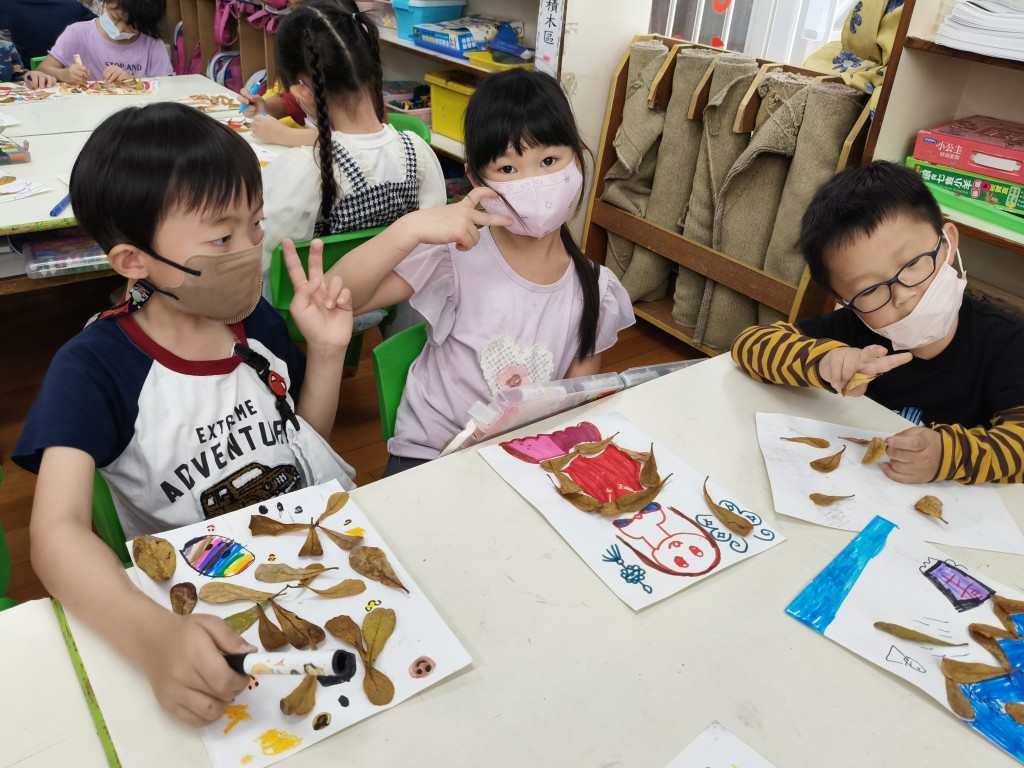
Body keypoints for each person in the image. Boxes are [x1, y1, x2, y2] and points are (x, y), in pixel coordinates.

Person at [13, 103, 357, 726]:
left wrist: (328, 354)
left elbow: (301, 443)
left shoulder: (257, 323)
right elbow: (56, 532)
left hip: (310, 566)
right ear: (133, 261)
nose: (250, 250)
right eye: (221, 239)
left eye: (256, 225)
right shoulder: (94, 368)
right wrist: (152, 638)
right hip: (198, 606)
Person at [328, 69, 636, 475]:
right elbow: (337, 297)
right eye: (507, 169)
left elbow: (572, 406)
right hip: (429, 456)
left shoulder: (595, 290)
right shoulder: (455, 253)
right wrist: (409, 228)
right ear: (477, 179)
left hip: (521, 462)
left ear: (576, 160)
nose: (533, 182)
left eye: (548, 161)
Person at [731, 160, 1024, 485]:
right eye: (870, 290)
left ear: (948, 242)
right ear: (845, 300)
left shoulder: (1008, 343)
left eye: (913, 263)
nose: (902, 294)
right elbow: (749, 345)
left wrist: (948, 456)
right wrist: (823, 362)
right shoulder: (853, 331)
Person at [259, 0, 446, 277]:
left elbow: (264, 259)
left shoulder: (307, 168)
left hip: (313, 302)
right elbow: (431, 248)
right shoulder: (419, 153)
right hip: (396, 300)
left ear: (303, 93)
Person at [37, 0, 173, 85]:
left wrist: (132, 81)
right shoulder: (77, 33)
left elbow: (167, 86)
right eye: (114, 18)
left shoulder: (152, 44)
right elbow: (42, 70)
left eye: (132, 27)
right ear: (105, 3)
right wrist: (64, 75)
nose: (119, 29)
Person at [0, 0, 95, 65]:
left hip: (22, 77)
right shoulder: (73, 6)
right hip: (67, 76)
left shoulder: (5, 5)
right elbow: (99, 30)